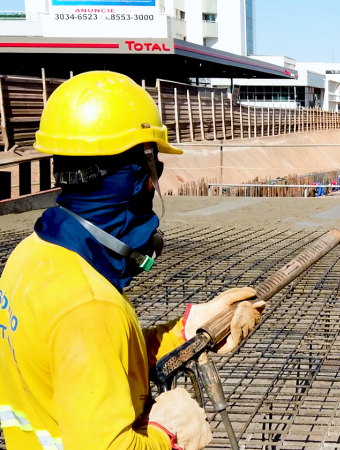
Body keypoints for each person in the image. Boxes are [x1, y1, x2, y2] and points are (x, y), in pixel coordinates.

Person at [0, 71, 266, 450]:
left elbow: (89, 361)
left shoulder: (31, 256)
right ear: (141, 176)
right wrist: (168, 435)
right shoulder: (89, 306)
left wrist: (184, 332)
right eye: (154, 167)